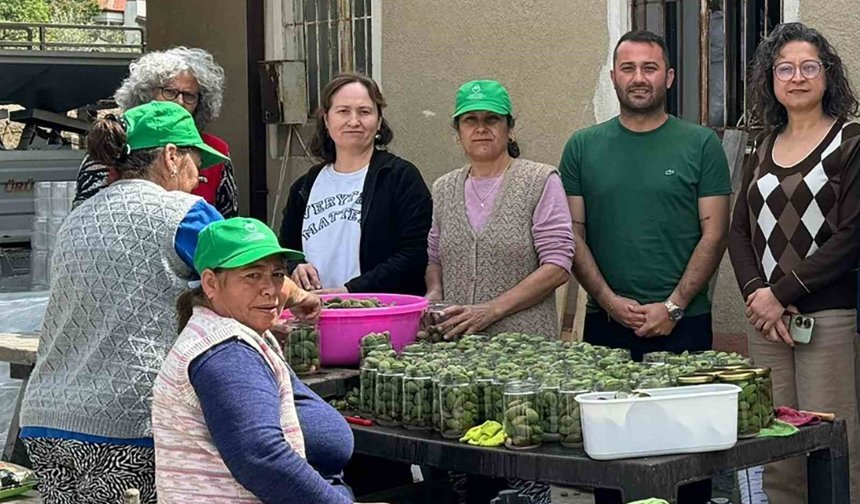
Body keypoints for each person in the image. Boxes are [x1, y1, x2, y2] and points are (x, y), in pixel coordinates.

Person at [18, 101, 228, 504]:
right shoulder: (183, 213)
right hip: (125, 426)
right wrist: (301, 298)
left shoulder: (77, 218)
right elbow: (248, 271)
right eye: (195, 161)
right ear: (171, 156)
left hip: (46, 421)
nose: (199, 175)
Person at [559, 30, 731, 504]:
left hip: (684, 325)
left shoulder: (700, 144)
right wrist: (609, 301)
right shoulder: (582, 147)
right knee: (611, 457)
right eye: (628, 68)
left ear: (669, 77)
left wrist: (673, 306)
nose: (639, 77)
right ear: (613, 76)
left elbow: (715, 233)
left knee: (688, 459)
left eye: (650, 68)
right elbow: (572, 234)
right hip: (606, 326)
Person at [153, 217, 380, 503]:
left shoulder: (232, 330)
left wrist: (300, 297)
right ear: (211, 283)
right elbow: (262, 456)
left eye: (277, 274)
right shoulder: (225, 352)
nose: (270, 289)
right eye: (252, 275)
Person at [728, 22, 860, 504]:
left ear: (828, 75)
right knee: (777, 445)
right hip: (768, 322)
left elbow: (851, 236)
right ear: (771, 79)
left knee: (833, 443)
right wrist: (757, 296)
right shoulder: (760, 144)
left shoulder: (851, 141)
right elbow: (738, 231)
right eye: (785, 69)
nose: (797, 77)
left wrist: (779, 294)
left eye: (809, 67)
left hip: (826, 316)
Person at [427, 79, 573, 340]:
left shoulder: (539, 181)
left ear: (509, 129)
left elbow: (557, 265)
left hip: (525, 347)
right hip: (456, 349)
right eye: (470, 120)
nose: (481, 128)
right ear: (458, 132)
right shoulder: (443, 188)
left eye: (492, 119)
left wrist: (491, 310)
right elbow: (435, 259)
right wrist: (435, 295)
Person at [279, 73, 432, 296]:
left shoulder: (400, 177)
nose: (353, 121)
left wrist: (351, 291)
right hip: (315, 309)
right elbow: (285, 251)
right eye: (343, 111)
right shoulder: (305, 186)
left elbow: (415, 253)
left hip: (380, 309)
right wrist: (296, 266)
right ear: (326, 120)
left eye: (364, 111)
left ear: (378, 121)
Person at [74, 46, 239, 218]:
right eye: (169, 92)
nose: (179, 102)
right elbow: (86, 215)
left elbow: (228, 221)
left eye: (189, 95)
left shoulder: (215, 149)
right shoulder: (113, 142)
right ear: (146, 94)